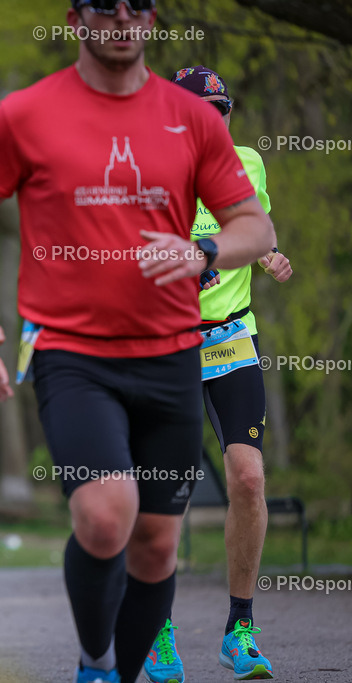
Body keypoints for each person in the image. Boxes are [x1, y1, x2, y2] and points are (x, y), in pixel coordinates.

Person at [0, 2, 275, 681]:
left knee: (155, 544)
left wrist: (203, 249)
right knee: (103, 513)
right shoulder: (27, 113)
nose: (118, 18)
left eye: (133, 6)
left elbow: (255, 228)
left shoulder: (192, 121)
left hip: (174, 351)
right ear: (76, 18)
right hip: (73, 351)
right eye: (102, 6)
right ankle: (96, 659)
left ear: (149, 19)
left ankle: (117, 670)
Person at [142, 65, 293, 683]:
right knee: (167, 491)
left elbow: (253, 232)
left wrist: (268, 253)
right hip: (166, 344)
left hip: (232, 337)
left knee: (249, 478)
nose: (216, 121)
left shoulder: (249, 164)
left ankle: (240, 629)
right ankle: (157, 628)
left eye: (223, 108)